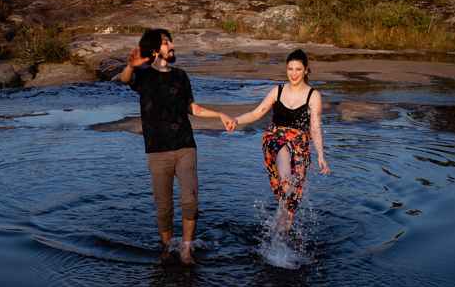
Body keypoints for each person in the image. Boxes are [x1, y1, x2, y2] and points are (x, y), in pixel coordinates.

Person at [121, 29, 235, 265]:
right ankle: (166, 247)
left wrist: (219, 114)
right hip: (157, 149)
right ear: (154, 50)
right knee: (164, 208)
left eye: (170, 41)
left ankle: (185, 250)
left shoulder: (181, 75)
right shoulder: (142, 76)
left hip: (185, 145)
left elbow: (191, 107)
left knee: (190, 200)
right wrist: (131, 66)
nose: (172, 45)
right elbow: (125, 79)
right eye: (166, 42)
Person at [230, 49, 329, 232]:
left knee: (290, 202)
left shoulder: (313, 96)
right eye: (290, 69)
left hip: (300, 146)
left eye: (298, 69)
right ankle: (285, 178)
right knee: (283, 148)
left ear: (306, 70)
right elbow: (256, 113)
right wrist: (236, 121)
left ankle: (281, 238)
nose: (293, 73)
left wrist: (321, 156)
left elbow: (315, 128)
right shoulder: (278, 91)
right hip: (275, 140)